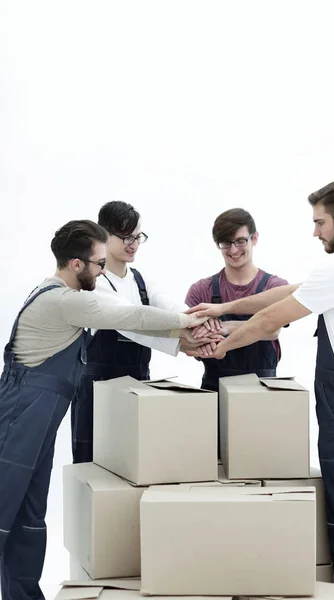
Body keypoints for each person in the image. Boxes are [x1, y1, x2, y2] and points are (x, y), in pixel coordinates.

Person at [188, 181, 334, 589]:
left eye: (320, 222)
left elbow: (270, 320)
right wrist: (226, 307)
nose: (315, 232)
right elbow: (291, 292)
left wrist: (222, 347)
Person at [0, 219, 206, 600]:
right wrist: (186, 321)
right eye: (97, 263)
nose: (101, 270)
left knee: (29, 518)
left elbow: (131, 318)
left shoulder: (63, 296)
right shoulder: (63, 300)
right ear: (76, 264)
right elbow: (128, 316)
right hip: (18, 416)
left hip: (40, 421)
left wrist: (183, 336)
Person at [71, 201, 222, 463]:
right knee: (91, 467)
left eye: (138, 236)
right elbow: (132, 322)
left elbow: (172, 306)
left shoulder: (142, 281)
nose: (134, 243)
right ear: (103, 235)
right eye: (126, 236)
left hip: (138, 387)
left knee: (135, 464)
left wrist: (200, 323)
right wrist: (182, 338)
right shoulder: (95, 284)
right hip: (97, 394)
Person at [185, 208, 289, 391]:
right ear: (217, 244)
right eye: (226, 243)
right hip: (214, 391)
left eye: (240, 241)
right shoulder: (201, 291)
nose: (233, 250)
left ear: (254, 238)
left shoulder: (275, 288)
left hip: (262, 391)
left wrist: (222, 328)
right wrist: (199, 343)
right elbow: (186, 342)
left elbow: (273, 330)